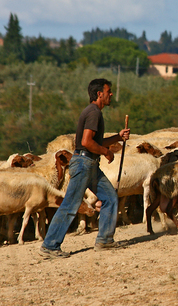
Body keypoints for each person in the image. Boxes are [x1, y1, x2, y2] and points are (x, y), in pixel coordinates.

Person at [39, 78, 130, 259]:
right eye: (108, 91)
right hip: (84, 163)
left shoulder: (93, 112)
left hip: (89, 164)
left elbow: (94, 142)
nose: (111, 94)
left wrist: (117, 138)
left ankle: (105, 240)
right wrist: (106, 152)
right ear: (99, 94)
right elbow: (86, 142)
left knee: (110, 198)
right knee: (71, 204)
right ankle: (50, 246)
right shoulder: (94, 113)